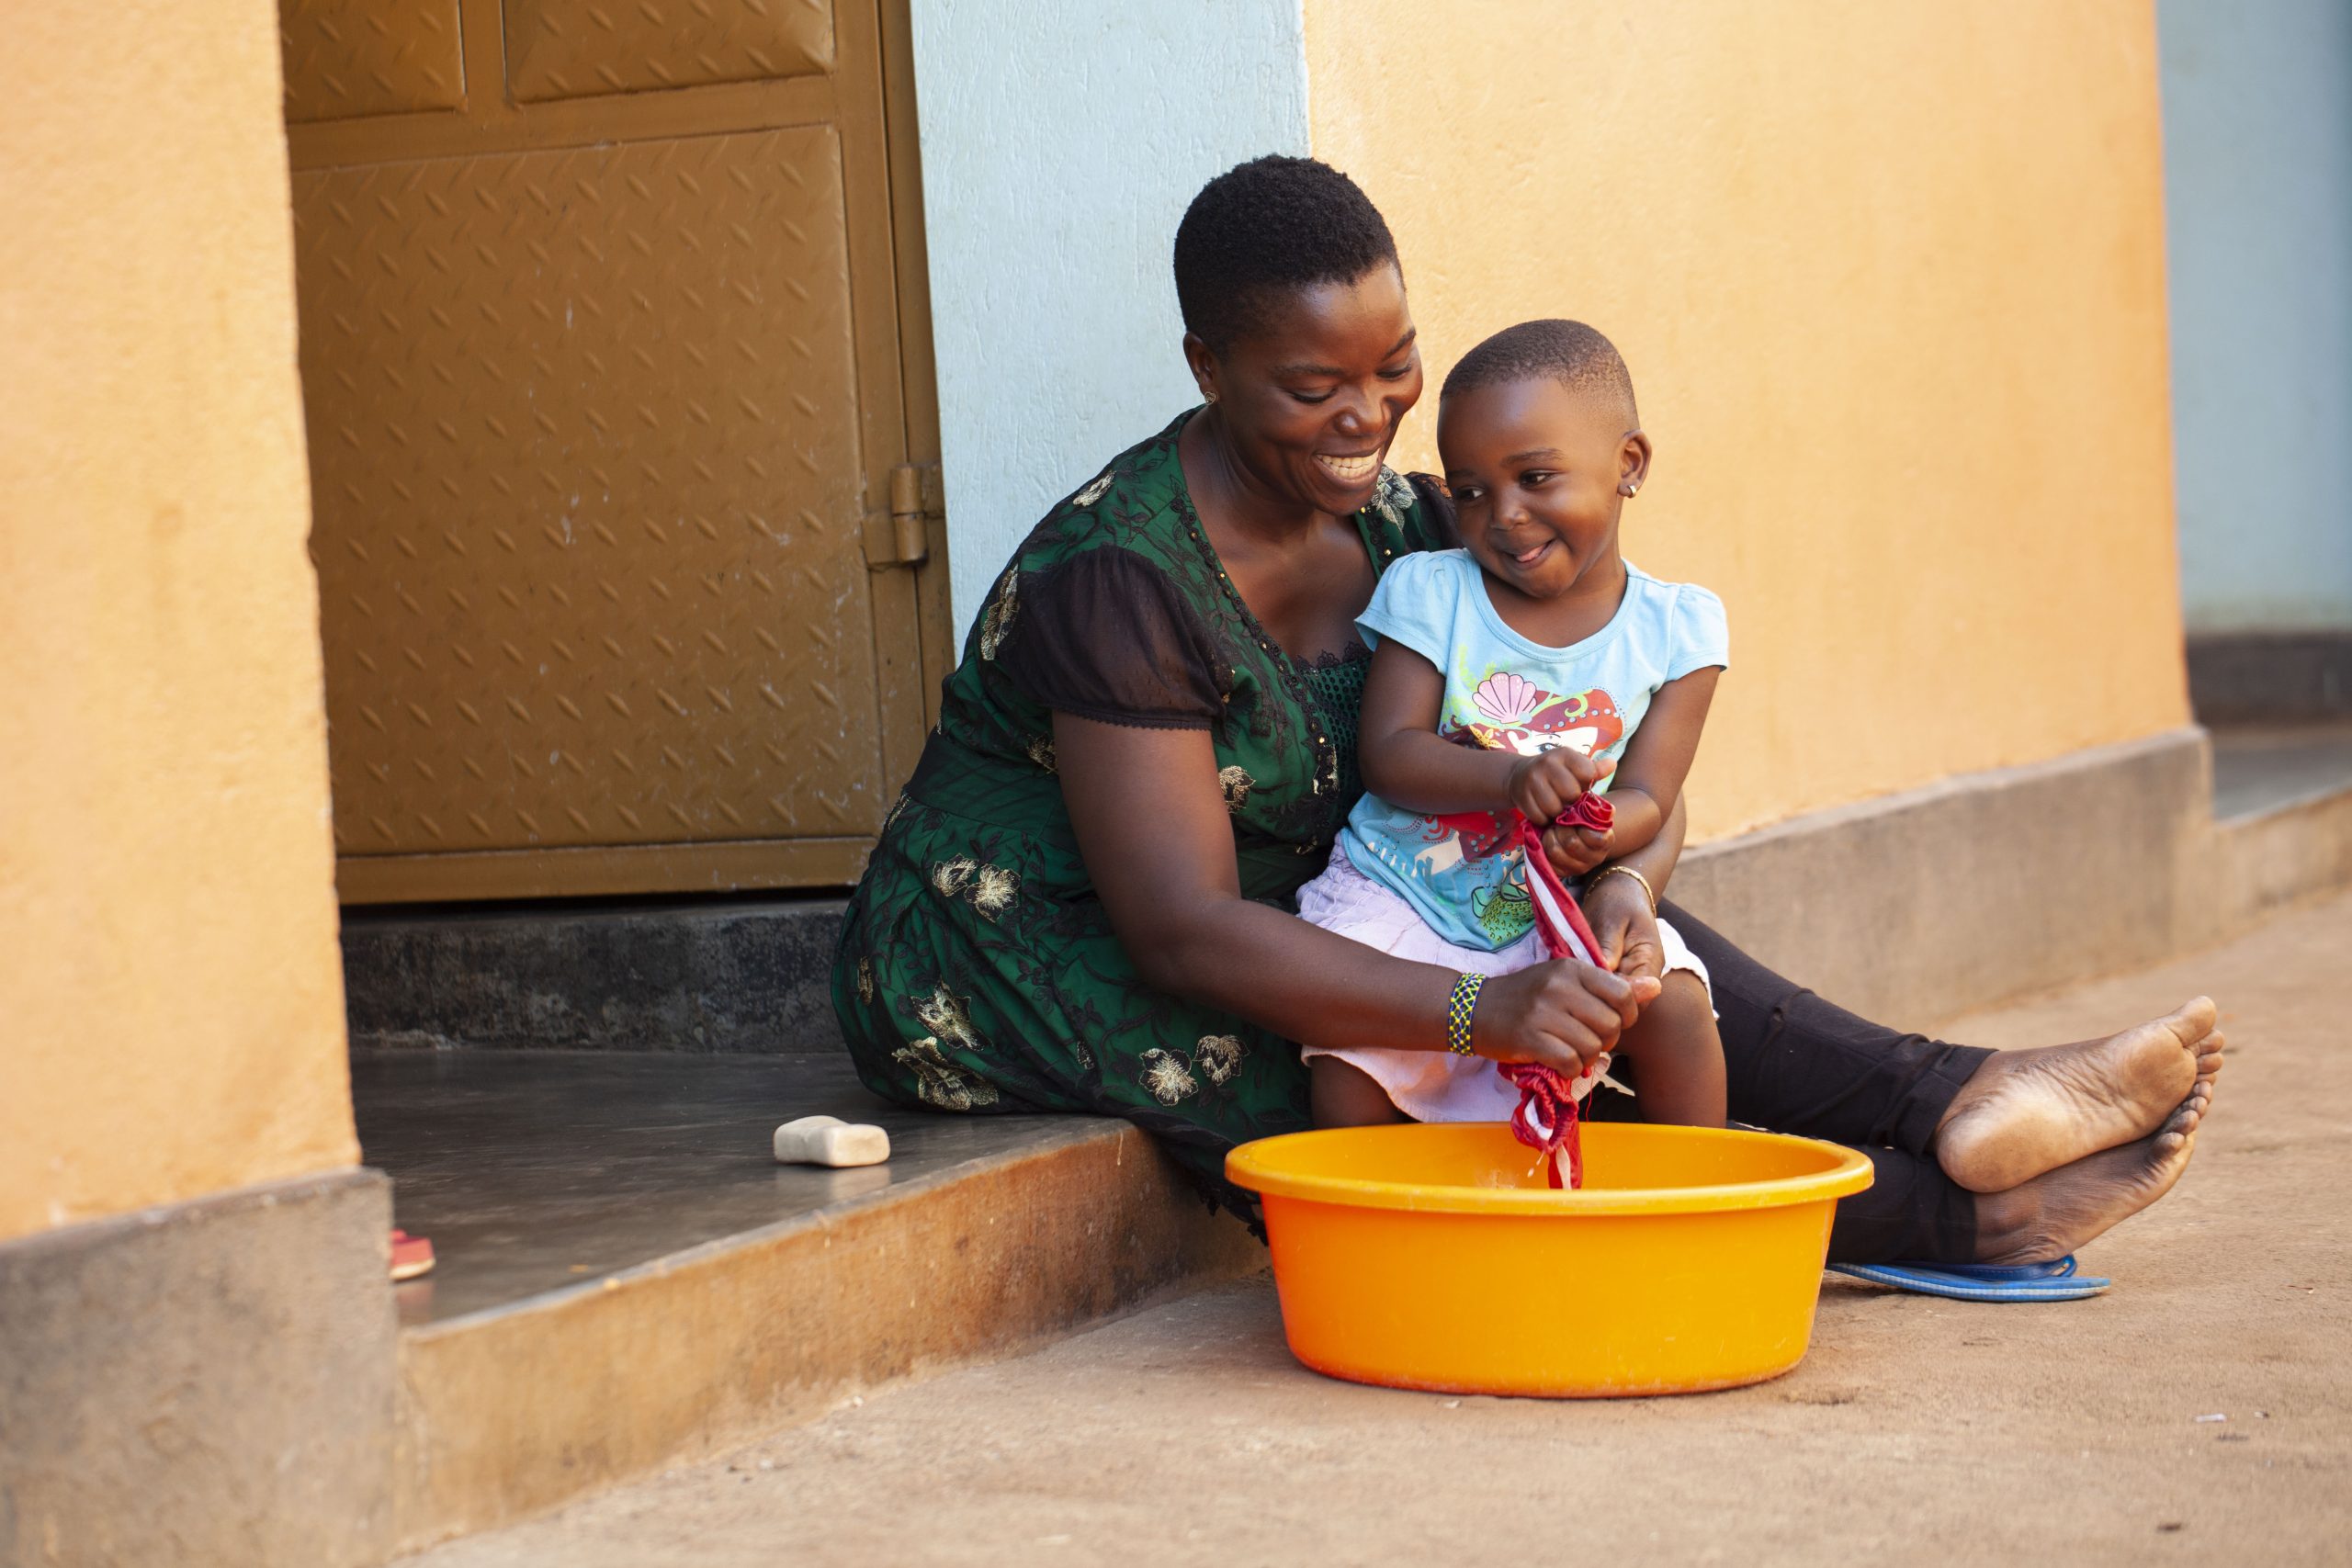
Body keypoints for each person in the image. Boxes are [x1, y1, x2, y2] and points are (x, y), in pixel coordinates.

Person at [830, 153, 2222, 1265]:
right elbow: (1184, 928)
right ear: (1208, 367)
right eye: (1313, 387)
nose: (1367, 416)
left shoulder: (1415, 525)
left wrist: (1624, 882)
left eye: (1394, 367)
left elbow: (1603, 766)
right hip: (1030, 946)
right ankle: (1957, 1217)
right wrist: (1476, 1006)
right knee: (1384, 1097)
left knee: (1590, 928)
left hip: (1313, 896)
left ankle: (1955, 1095)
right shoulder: (1118, 577)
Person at [1299, 318, 1728, 1134]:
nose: (1504, 515)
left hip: (1552, 907)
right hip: (1404, 892)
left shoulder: (1678, 632)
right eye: (1470, 492)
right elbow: (1391, 753)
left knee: (1673, 1006)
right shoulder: (1433, 592)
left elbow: (1649, 793)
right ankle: (1367, 1234)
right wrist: (1511, 779)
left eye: (1536, 477)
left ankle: (1689, 1213)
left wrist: (1598, 838)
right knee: (1351, 1061)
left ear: (1628, 465)